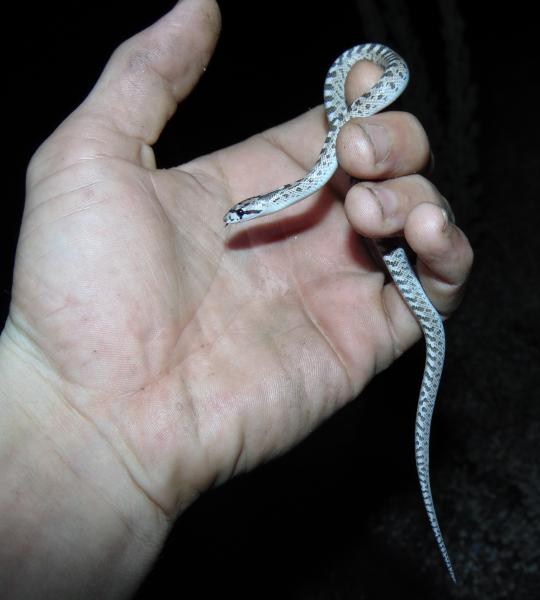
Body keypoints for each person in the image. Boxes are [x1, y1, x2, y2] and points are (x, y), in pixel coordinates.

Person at [0, 0, 473, 597]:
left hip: (355, 125)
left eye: (243, 212)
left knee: (378, 178)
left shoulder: (322, 163)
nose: (240, 218)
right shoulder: (304, 176)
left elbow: (356, 121)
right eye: (244, 213)